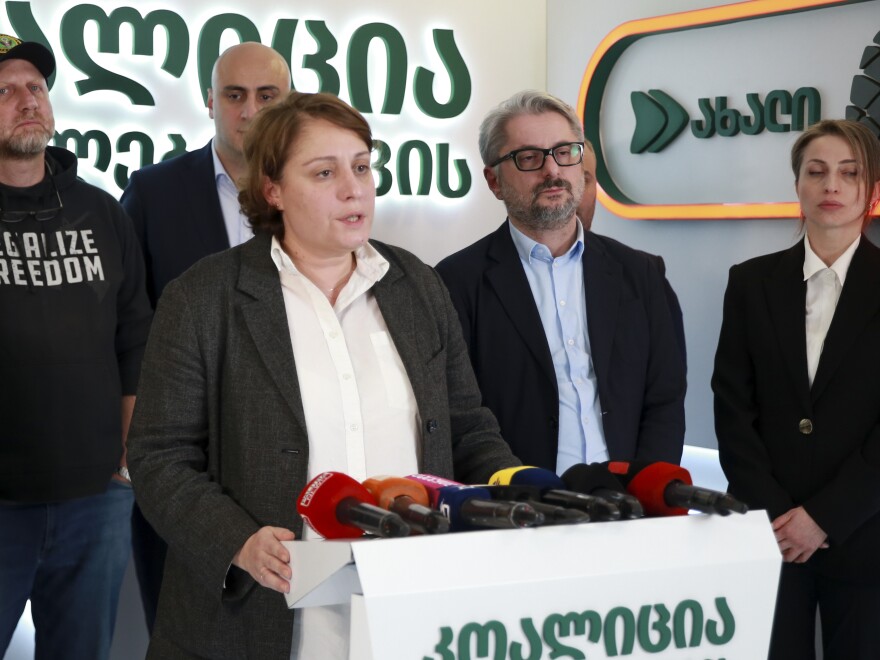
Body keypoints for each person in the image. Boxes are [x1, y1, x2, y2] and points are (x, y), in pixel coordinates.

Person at [126, 91, 521, 659]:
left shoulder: (418, 286)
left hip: (404, 608)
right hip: (259, 615)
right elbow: (159, 455)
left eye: (361, 167)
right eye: (324, 172)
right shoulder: (203, 298)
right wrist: (237, 542)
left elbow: (466, 424)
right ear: (273, 190)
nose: (353, 187)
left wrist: (514, 487)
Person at [119, 41, 291, 631]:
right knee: (183, 624)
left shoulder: (312, 194)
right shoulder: (154, 193)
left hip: (285, 459)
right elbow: (127, 320)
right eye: (234, 96)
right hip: (180, 456)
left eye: (267, 96)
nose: (250, 111)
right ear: (209, 102)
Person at [436, 90, 686, 474]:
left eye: (565, 152)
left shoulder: (642, 275)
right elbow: (460, 418)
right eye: (530, 157)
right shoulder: (454, 283)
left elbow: (665, 401)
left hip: (627, 508)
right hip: (517, 512)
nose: (552, 171)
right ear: (494, 180)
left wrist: (648, 494)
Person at [0, 35, 151, 660]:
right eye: (5, 92)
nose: (27, 100)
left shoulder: (101, 212)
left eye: (35, 88)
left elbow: (134, 333)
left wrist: (125, 457)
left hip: (97, 500)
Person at [712, 119, 880, 659]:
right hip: (770, 536)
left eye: (849, 173)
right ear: (798, 186)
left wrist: (825, 517)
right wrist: (779, 517)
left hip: (866, 536)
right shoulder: (750, 282)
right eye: (817, 171)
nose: (832, 186)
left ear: (870, 190)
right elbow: (732, 406)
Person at [576, 138, 686, 363]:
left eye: (582, 180)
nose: (569, 196)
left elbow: (668, 384)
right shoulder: (486, 274)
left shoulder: (643, 274)